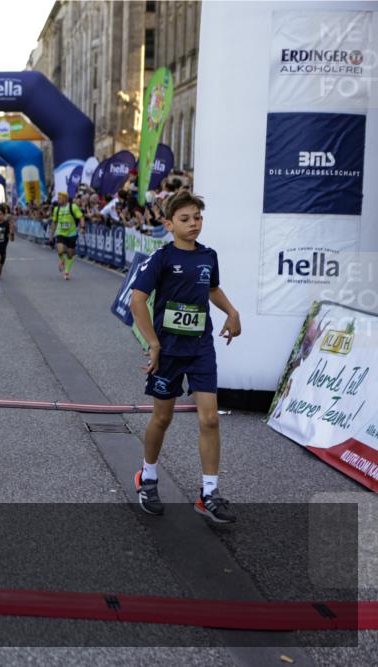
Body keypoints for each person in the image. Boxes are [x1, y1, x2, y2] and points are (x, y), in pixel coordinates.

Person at [128, 191, 241, 524]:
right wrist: (153, 343)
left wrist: (231, 312)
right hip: (170, 351)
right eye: (186, 219)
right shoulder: (161, 258)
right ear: (168, 224)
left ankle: (209, 494)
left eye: (198, 218)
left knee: (210, 419)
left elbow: (211, 289)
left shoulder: (208, 256)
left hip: (201, 349)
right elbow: (137, 301)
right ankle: (147, 477)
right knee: (163, 418)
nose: (194, 224)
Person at [50, 191, 84, 280]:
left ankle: (67, 271)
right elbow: (54, 222)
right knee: (60, 250)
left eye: (60, 198)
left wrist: (82, 227)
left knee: (70, 254)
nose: (58, 200)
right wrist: (51, 234)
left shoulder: (73, 207)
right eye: (58, 199)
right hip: (60, 233)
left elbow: (81, 217)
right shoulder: (56, 209)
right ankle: (61, 260)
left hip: (72, 234)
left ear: (65, 199)